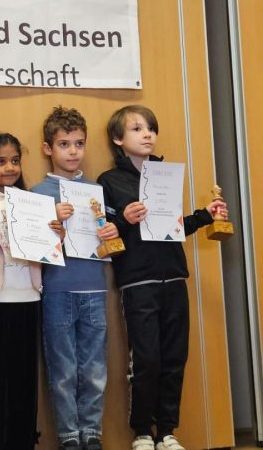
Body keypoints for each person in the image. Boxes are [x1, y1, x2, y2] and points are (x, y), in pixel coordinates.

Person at [96, 105, 227, 450]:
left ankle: (167, 431)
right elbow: (105, 232)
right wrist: (123, 218)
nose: (147, 134)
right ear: (118, 138)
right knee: (146, 359)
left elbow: (172, 227)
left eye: (151, 128)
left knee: (174, 358)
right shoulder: (109, 181)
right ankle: (142, 431)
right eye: (137, 128)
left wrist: (205, 215)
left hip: (174, 278)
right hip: (138, 281)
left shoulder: (164, 176)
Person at [0, 133, 64, 450]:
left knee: (24, 380)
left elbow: (48, 252)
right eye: (0, 161)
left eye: (15, 161)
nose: (9, 168)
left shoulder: (32, 202)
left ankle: (23, 441)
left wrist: (56, 235)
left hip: (28, 297)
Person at [32, 107, 117, 450]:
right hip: (57, 290)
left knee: (95, 369)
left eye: (79, 143)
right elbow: (29, 248)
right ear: (48, 148)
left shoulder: (96, 190)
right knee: (63, 370)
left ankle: (92, 433)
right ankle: (69, 435)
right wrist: (49, 221)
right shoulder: (38, 193)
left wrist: (110, 232)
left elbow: (109, 241)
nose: (73, 151)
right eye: (64, 144)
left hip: (94, 288)